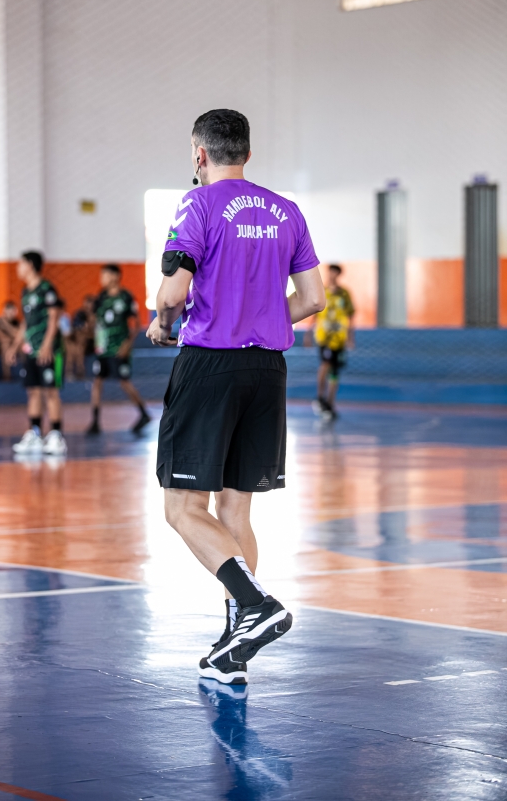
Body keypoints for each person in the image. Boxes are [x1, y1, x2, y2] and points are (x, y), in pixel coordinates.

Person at [147, 109, 325, 684]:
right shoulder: (286, 211)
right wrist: (265, 318)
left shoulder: (197, 204)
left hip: (211, 366)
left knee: (183, 508)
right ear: (246, 152)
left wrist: (163, 322)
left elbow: (173, 291)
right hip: (267, 370)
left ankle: (255, 604)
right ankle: (235, 650)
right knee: (235, 510)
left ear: (199, 154)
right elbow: (313, 298)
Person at [7, 251, 67, 456]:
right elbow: (26, 323)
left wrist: (47, 345)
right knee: (33, 391)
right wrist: (15, 346)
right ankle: (35, 433)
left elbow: (54, 319)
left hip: (49, 351)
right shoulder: (25, 292)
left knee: (50, 391)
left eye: (21, 263)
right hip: (31, 350)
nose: (18, 268)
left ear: (30, 265)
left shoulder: (46, 289)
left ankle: (56, 435)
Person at [87, 264, 150, 435]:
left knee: (124, 382)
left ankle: (144, 413)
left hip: (119, 348)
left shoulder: (126, 297)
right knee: (97, 382)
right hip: (102, 349)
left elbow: (136, 323)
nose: (102, 279)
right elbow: (94, 320)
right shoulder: (100, 297)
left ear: (115, 276)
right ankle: (95, 422)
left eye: (105, 275)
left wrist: (127, 344)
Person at [305, 263, 355, 421]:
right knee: (325, 364)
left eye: (334, 272)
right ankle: (320, 396)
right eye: (330, 272)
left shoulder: (344, 294)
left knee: (335, 370)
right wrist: (308, 333)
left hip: (339, 338)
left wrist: (350, 337)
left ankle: (330, 403)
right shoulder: (323, 291)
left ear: (338, 274)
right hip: (324, 337)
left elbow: (350, 315)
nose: (331, 275)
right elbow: (315, 312)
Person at [65, 295, 95, 381]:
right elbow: (75, 328)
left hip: (92, 342)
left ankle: (78, 370)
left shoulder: (97, 315)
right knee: (72, 344)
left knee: (80, 341)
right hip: (80, 342)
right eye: (86, 304)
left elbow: (95, 332)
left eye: (90, 304)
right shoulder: (80, 314)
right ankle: (75, 371)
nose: (88, 307)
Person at [0, 301, 20, 380]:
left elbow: (18, 335)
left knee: (23, 344)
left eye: (12, 310)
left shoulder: (16, 322)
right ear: (4, 311)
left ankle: (27, 373)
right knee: (5, 344)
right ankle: (7, 376)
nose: (10, 312)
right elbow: (0, 337)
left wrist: (5, 324)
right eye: (8, 310)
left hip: (14, 345)